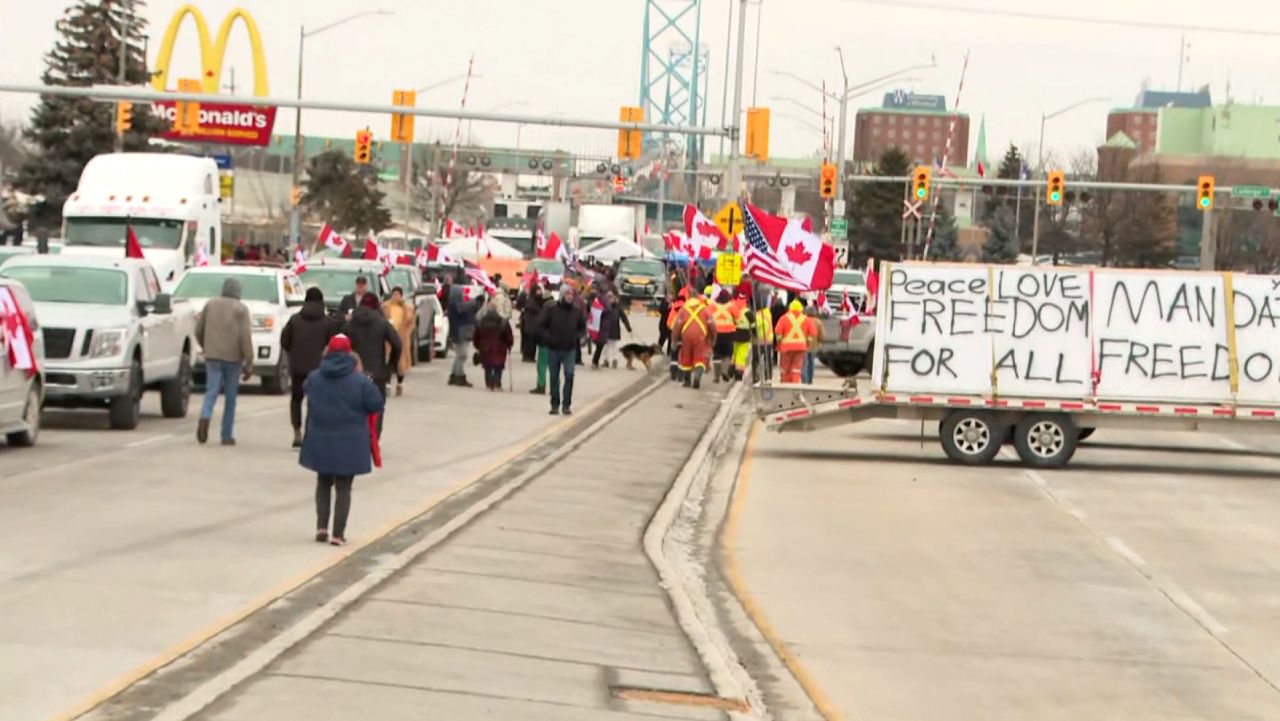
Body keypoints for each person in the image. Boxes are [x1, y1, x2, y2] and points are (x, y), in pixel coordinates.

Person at [300, 334, 385, 547]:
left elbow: (306, 391)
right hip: (350, 440)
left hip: (321, 438)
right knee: (344, 487)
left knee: (323, 482)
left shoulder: (315, 377)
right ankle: (338, 534)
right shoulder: (359, 381)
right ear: (349, 352)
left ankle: (321, 527)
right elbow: (376, 404)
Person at [195, 278, 253, 446]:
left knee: (211, 390)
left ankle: (205, 417)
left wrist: (206, 345)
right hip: (233, 358)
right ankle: (226, 435)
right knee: (230, 397)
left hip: (212, 355)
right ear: (238, 292)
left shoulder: (211, 304)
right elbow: (245, 337)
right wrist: (249, 361)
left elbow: (198, 329)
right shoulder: (240, 309)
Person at [281, 287, 339, 447]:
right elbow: (334, 345)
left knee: (296, 399)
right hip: (320, 370)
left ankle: (297, 431)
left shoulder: (294, 320)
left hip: (298, 367)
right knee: (316, 402)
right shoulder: (328, 323)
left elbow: (284, 341)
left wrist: (293, 353)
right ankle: (311, 432)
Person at [344, 293, 402, 437]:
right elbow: (397, 343)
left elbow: (341, 343)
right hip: (377, 372)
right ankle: (374, 436)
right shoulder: (382, 323)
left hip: (354, 372)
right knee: (377, 406)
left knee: (354, 406)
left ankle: (357, 435)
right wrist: (391, 364)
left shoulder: (351, 323)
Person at [539, 285, 586, 415]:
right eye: (567, 294)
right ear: (562, 295)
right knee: (554, 377)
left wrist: (579, 337)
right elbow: (542, 325)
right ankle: (554, 404)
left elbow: (582, 327)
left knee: (569, 375)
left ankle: (566, 405)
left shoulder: (576, 311)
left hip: (569, 349)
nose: (570, 297)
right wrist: (548, 337)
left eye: (572, 294)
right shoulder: (552, 309)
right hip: (554, 348)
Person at [672, 285, 715, 388]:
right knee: (700, 359)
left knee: (686, 357)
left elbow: (677, 326)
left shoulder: (683, 310)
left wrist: (674, 339)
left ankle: (687, 382)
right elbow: (712, 325)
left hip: (686, 336)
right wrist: (712, 339)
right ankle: (697, 377)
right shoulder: (705, 310)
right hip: (700, 337)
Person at [381, 286, 416, 396]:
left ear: (401, 296)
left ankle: (400, 383)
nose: (396, 297)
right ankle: (387, 384)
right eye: (394, 294)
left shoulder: (408, 308)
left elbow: (412, 323)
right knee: (388, 361)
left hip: (402, 338)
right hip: (388, 338)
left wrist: (406, 333)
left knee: (401, 363)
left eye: (398, 294)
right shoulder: (385, 307)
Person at [775, 299, 818, 384]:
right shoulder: (806, 319)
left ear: (790, 308)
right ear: (801, 309)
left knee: (785, 368)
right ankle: (795, 384)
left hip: (786, 348)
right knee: (796, 368)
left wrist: (779, 343)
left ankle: (785, 385)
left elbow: (778, 332)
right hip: (801, 348)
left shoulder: (784, 318)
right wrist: (807, 342)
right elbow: (813, 333)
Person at [473, 303, 514, 391]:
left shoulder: (481, 321)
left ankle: (489, 384)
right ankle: (497, 383)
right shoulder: (503, 322)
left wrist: (477, 345)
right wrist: (509, 344)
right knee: (498, 365)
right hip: (500, 348)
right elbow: (508, 335)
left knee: (487, 365)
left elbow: (476, 335)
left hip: (485, 347)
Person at [447, 282, 480, 387]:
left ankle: (453, 375)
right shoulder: (456, 305)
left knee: (459, 355)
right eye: (461, 292)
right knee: (462, 355)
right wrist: (474, 302)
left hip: (459, 331)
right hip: (460, 331)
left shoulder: (454, 303)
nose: (463, 294)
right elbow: (463, 309)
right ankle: (460, 376)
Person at [592, 292, 631, 369]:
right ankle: (606, 360)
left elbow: (623, 317)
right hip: (605, 330)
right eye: (608, 297)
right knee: (605, 346)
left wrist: (628, 327)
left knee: (614, 346)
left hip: (615, 329)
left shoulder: (618, 307)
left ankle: (614, 360)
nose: (610, 299)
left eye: (611, 297)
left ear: (614, 298)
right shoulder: (603, 306)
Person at [528, 289, 555, 395]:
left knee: (542, 365)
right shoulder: (559, 310)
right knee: (554, 366)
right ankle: (554, 387)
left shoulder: (545, 311)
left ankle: (541, 385)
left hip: (545, 341)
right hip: (556, 342)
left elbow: (539, 326)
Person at [709, 289, 738, 383]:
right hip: (729, 333)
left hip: (715, 333)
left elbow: (708, 317)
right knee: (727, 354)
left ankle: (716, 377)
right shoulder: (731, 306)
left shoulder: (712, 306)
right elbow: (738, 316)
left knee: (716, 354)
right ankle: (725, 371)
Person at [518, 284, 544, 362]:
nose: (540, 292)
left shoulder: (538, 300)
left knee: (532, 342)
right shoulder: (531, 301)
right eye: (538, 291)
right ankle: (527, 356)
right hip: (530, 324)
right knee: (529, 342)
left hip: (535, 325)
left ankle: (530, 356)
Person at [802, 303, 826, 384]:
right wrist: (819, 341)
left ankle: (804, 380)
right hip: (814, 346)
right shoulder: (818, 322)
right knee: (811, 363)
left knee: (804, 363)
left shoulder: (803, 320)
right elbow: (822, 336)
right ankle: (810, 380)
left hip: (804, 345)